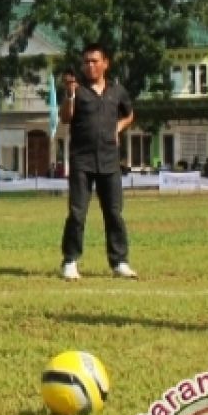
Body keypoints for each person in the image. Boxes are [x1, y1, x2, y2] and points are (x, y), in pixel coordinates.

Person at [59, 43, 137, 281]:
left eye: (94, 61)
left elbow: (130, 114)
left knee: (114, 213)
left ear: (105, 63)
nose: (90, 65)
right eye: (86, 62)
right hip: (82, 160)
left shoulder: (117, 91)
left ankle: (119, 262)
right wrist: (70, 95)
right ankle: (70, 261)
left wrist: (119, 126)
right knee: (77, 213)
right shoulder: (78, 90)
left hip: (110, 161)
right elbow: (65, 118)